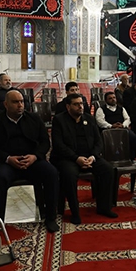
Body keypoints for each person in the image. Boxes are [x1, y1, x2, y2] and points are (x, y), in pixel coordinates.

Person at [0, 90, 59, 232]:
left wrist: (35, 156)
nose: (20, 105)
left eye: (22, 101)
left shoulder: (34, 119)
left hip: (32, 161)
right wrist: (7, 158)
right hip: (7, 163)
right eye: (15, 102)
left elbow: (45, 142)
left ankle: (50, 217)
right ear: (6, 104)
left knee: (51, 173)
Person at [51, 93, 117, 224]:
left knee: (108, 170)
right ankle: (75, 212)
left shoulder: (89, 119)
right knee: (69, 175)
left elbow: (98, 141)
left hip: (89, 156)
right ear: (68, 107)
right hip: (68, 158)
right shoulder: (59, 120)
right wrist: (76, 158)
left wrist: (93, 156)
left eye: (81, 103)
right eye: (76, 104)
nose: (80, 107)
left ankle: (104, 207)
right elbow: (58, 145)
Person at [95, 91, 136, 160]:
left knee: (133, 137)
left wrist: (123, 125)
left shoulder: (121, 108)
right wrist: (111, 126)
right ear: (106, 100)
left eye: (114, 98)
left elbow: (127, 119)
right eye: (110, 98)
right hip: (108, 130)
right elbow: (100, 121)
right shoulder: (101, 109)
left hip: (122, 128)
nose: (113, 99)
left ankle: (131, 157)